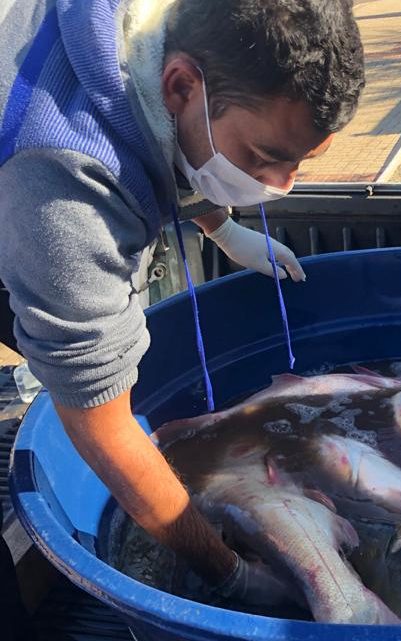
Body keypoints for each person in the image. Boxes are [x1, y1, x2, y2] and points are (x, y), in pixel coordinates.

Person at [0, 0, 365, 619]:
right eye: (262, 157)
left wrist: (221, 225)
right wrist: (228, 575)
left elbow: (172, 136)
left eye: (301, 160)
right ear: (180, 84)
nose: (283, 185)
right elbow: (102, 426)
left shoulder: (163, 23)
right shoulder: (68, 189)